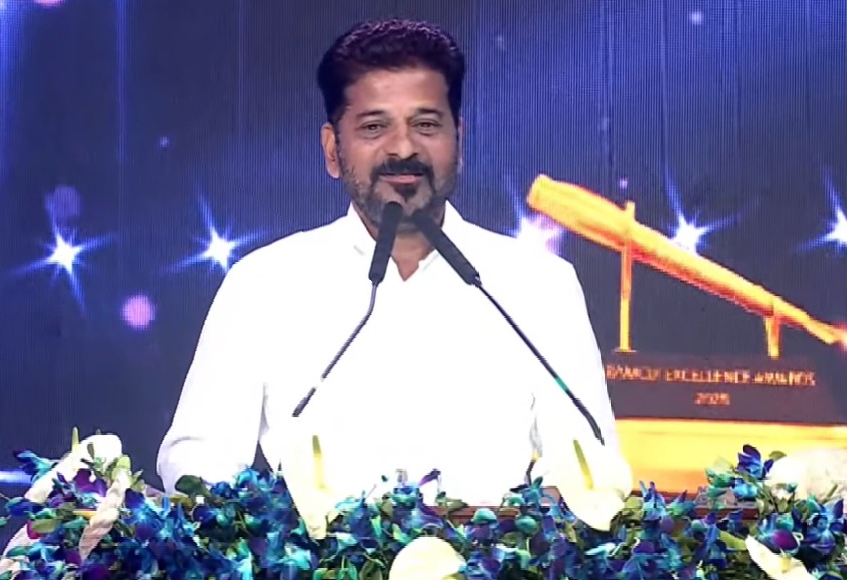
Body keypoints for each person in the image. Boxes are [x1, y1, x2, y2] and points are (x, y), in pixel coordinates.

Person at [157, 18, 621, 504]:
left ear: (458, 141)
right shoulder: (263, 284)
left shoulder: (540, 285)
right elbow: (199, 458)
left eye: (426, 125)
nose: (403, 148)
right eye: (374, 127)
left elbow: (588, 458)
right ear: (333, 150)